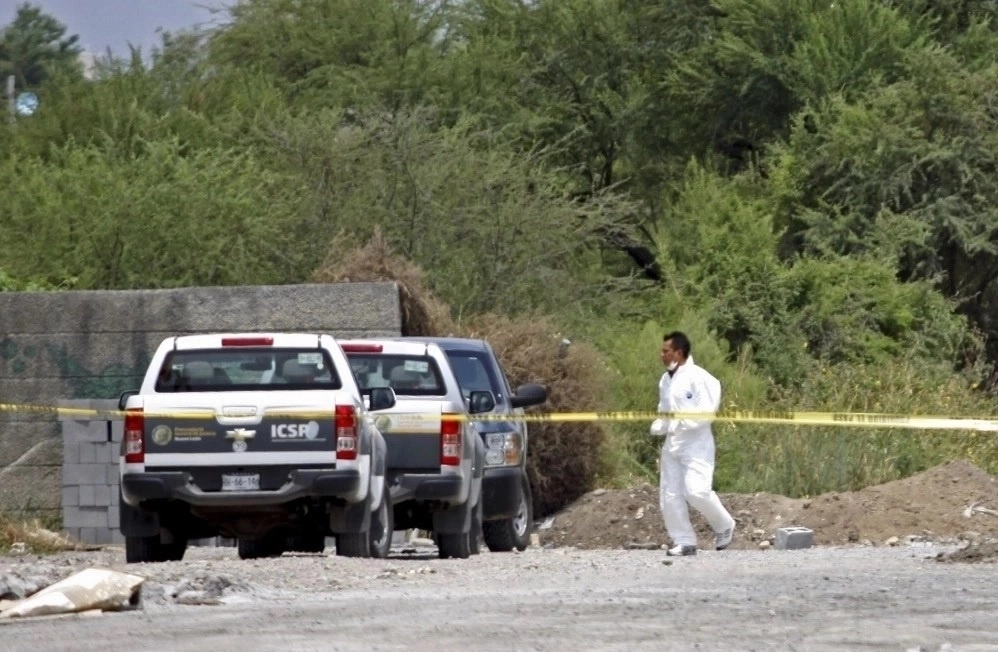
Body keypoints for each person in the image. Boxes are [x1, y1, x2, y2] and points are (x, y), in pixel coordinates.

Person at [650, 331, 735, 556]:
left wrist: (681, 422)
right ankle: (684, 541)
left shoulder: (701, 378)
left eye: (666, 351)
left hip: (696, 443)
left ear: (678, 353)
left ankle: (725, 525)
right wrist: (660, 424)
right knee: (669, 495)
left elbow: (707, 412)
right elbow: (664, 410)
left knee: (697, 491)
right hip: (672, 443)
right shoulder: (665, 380)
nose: (661, 355)